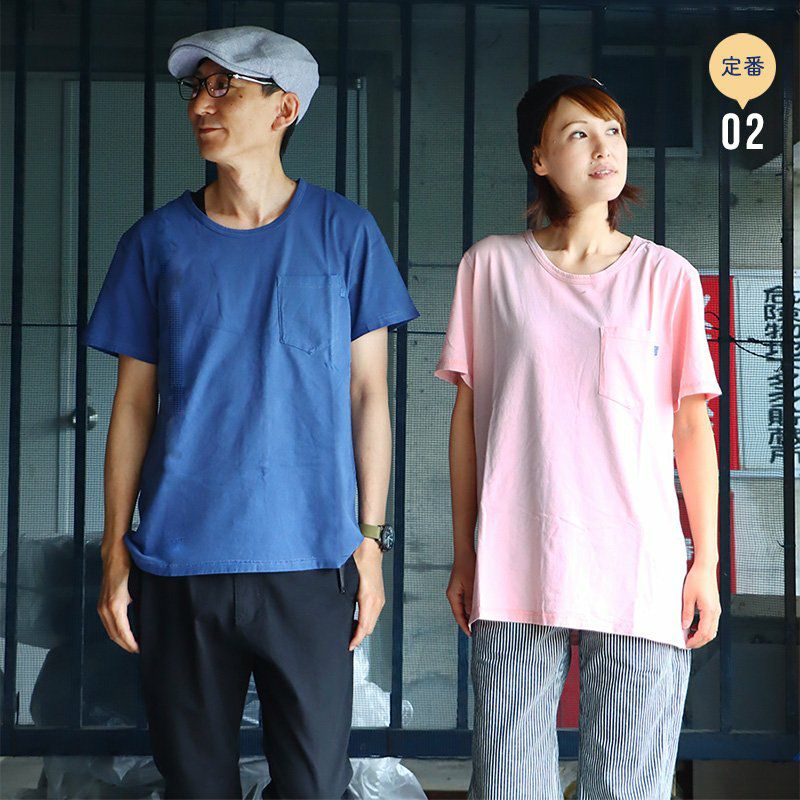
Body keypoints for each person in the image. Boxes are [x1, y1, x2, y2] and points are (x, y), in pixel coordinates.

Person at [84, 25, 418, 800]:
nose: (201, 105)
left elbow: (369, 396)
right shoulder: (156, 243)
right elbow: (131, 406)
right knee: (196, 786)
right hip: (180, 563)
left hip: (312, 561)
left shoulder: (345, 234)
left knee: (313, 786)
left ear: (283, 109)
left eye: (223, 87)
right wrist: (114, 551)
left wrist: (370, 544)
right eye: (196, 88)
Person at [434, 74, 722, 799]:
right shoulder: (490, 268)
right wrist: (464, 551)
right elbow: (468, 420)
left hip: (639, 561)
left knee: (630, 786)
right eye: (578, 133)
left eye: (613, 132)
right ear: (538, 158)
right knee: (508, 785)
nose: (604, 149)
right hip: (517, 552)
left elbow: (691, 426)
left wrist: (706, 561)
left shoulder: (667, 276)